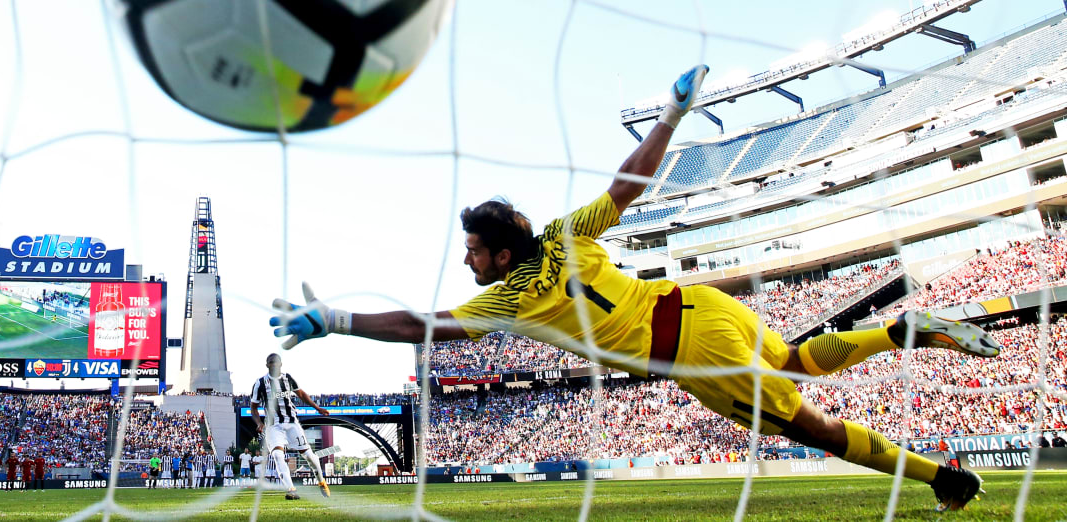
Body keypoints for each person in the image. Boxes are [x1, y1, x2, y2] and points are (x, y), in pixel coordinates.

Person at [269, 65, 1001, 512]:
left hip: (692, 352)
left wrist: (335, 319)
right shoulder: (562, 232)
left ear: (497, 255)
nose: (465, 264)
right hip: (704, 305)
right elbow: (628, 186)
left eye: (471, 253)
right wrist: (671, 116)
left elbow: (418, 326)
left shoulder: (508, 300)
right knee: (799, 363)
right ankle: (906, 330)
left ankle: (943, 478)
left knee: (811, 429)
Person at [250, 352, 332, 500]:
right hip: (274, 426)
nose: (274, 365)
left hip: (292, 423)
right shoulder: (260, 383)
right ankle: (291, 489)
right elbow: (253, 408)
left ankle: (321, 481)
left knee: (309, 455)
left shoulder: (287, 379)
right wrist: (259, 422)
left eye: (276, 362)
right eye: (271, 362)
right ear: (267, 365)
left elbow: (301, 394)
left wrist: (317, 407)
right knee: (277, 455)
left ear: (281, 364)